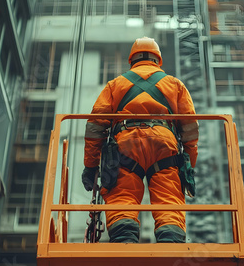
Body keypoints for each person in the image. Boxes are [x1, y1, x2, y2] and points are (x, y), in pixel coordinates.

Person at [81, 37, 198, 243]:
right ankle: (170, 244)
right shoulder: (174, 84)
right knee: (168, 197)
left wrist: (90, 167)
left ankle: (125, 242)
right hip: (164, 145)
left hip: (126, 145)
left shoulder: (115, 85)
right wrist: (188, 165)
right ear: (157, 60)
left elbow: (95, 126)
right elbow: (189, 129)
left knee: (122, 196)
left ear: (132, 61)